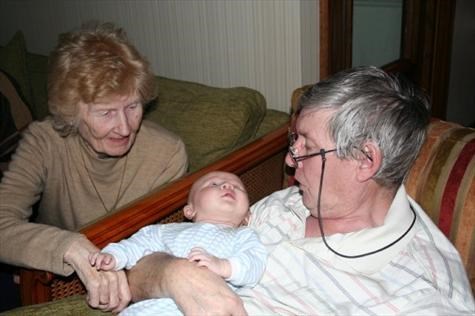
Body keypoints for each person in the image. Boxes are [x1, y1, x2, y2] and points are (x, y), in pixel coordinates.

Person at [126, 66, 475, 315]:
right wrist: (177, 274)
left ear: (365, 161)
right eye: (295, 140)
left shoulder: (420, 292)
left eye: (308, 146)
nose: (291, 161)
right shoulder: (282, 206)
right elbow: (138, 273)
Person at [0, 22, 187, 312]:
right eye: (106, 112)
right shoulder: (44, 141)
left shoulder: (167, 153)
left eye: (132, 106)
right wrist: (64, 247)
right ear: (71, 111)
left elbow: (160, 246)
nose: (124, 128)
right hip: (47, 277)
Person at [89, 171, 266, 315]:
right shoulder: (167, 230)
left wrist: (224, 266)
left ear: (247, 216)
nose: (227, 185)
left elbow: (254, 264)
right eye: (213, 184)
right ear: (189, 210)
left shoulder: (244, 236)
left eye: (238, 187)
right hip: (149, 309)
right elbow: (136, 245)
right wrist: (113, 255)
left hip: (205, 308)